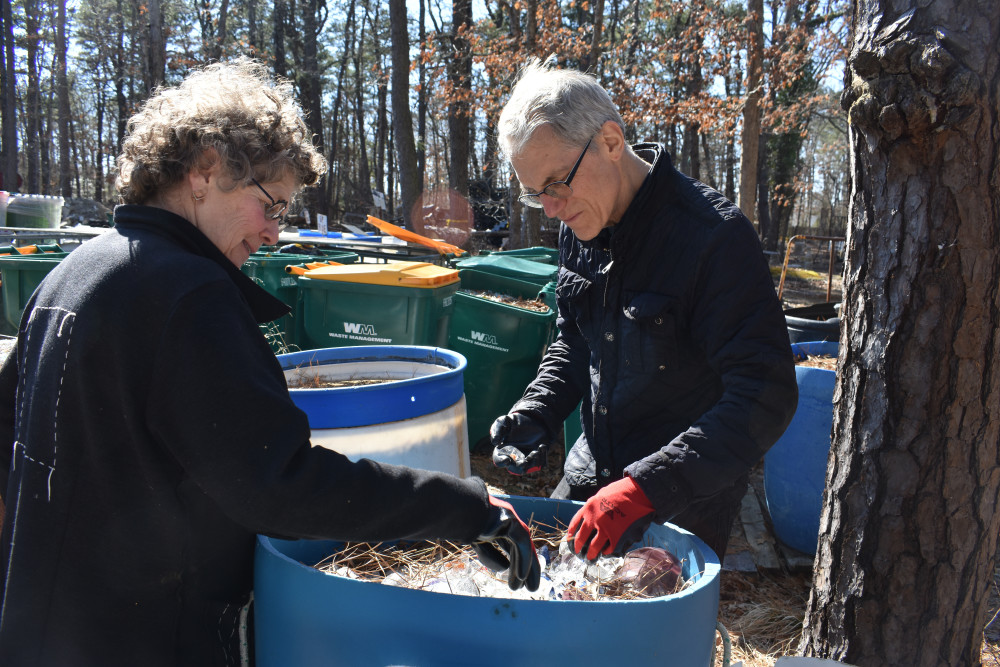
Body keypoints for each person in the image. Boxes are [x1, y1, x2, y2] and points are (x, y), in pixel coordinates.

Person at [0, 58, 539, 667]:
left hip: (45, 629)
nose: (276, 234)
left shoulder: (72, 275)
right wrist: (464, 508)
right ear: (206, 169)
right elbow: (278, 485)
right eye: (272, 205)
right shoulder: (188, 294)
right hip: (148, 637)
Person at [489, 59, 798, 563]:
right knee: (544, 597)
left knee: (638, 637)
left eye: (556, 183)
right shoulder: (579, 225)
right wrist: (536, 412)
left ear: (611, 141)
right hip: (592, 474)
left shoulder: (713, 238)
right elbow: (574, 340)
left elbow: (766, 393)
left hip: (683, 496)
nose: (549, 208)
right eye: (535, 192)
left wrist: (645, 488)